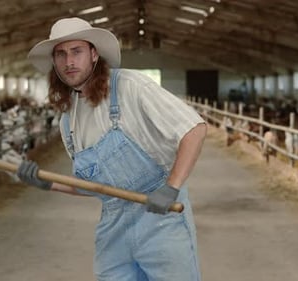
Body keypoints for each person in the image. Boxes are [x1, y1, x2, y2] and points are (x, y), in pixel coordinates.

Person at [18, 17, 207, 280]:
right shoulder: (68, 119)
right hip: (113, 224)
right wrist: (47, 183)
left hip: (161, 219)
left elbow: (194, 129)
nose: (69, 61)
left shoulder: (131, 87)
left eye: (76, 51)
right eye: (60, 54)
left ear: (94, 54)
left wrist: (172, 187)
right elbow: (94, 186)